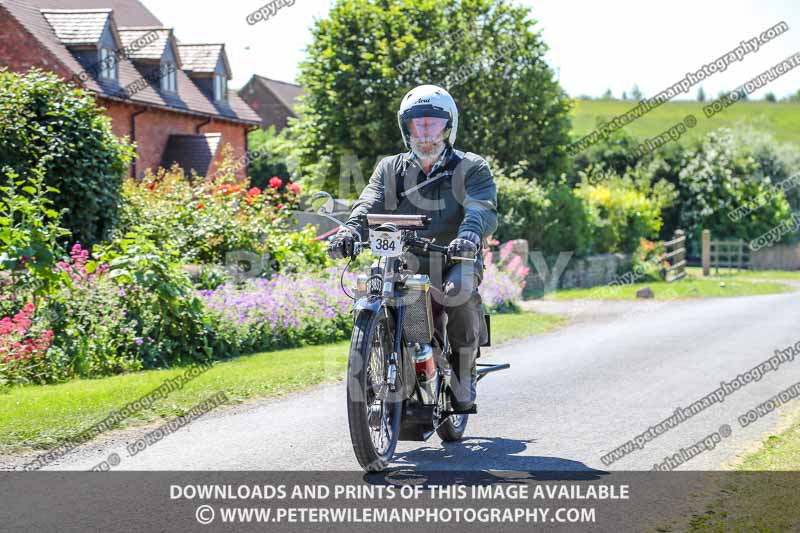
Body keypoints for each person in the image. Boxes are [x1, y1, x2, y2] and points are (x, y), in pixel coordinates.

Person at [327, 84, 497, 412]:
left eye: (432, 123)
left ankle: (463, 374)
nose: (424, 132)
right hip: (404, 258)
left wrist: (470, 235)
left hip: (453, 256)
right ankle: (386, 352)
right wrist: (350, 229)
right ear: (407, 129)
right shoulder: (391, 168)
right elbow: (368, 202)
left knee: (458, 290)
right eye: (416, 124)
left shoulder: (471, 167)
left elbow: (481, 208)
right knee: (374, 285)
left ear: (449, 126)